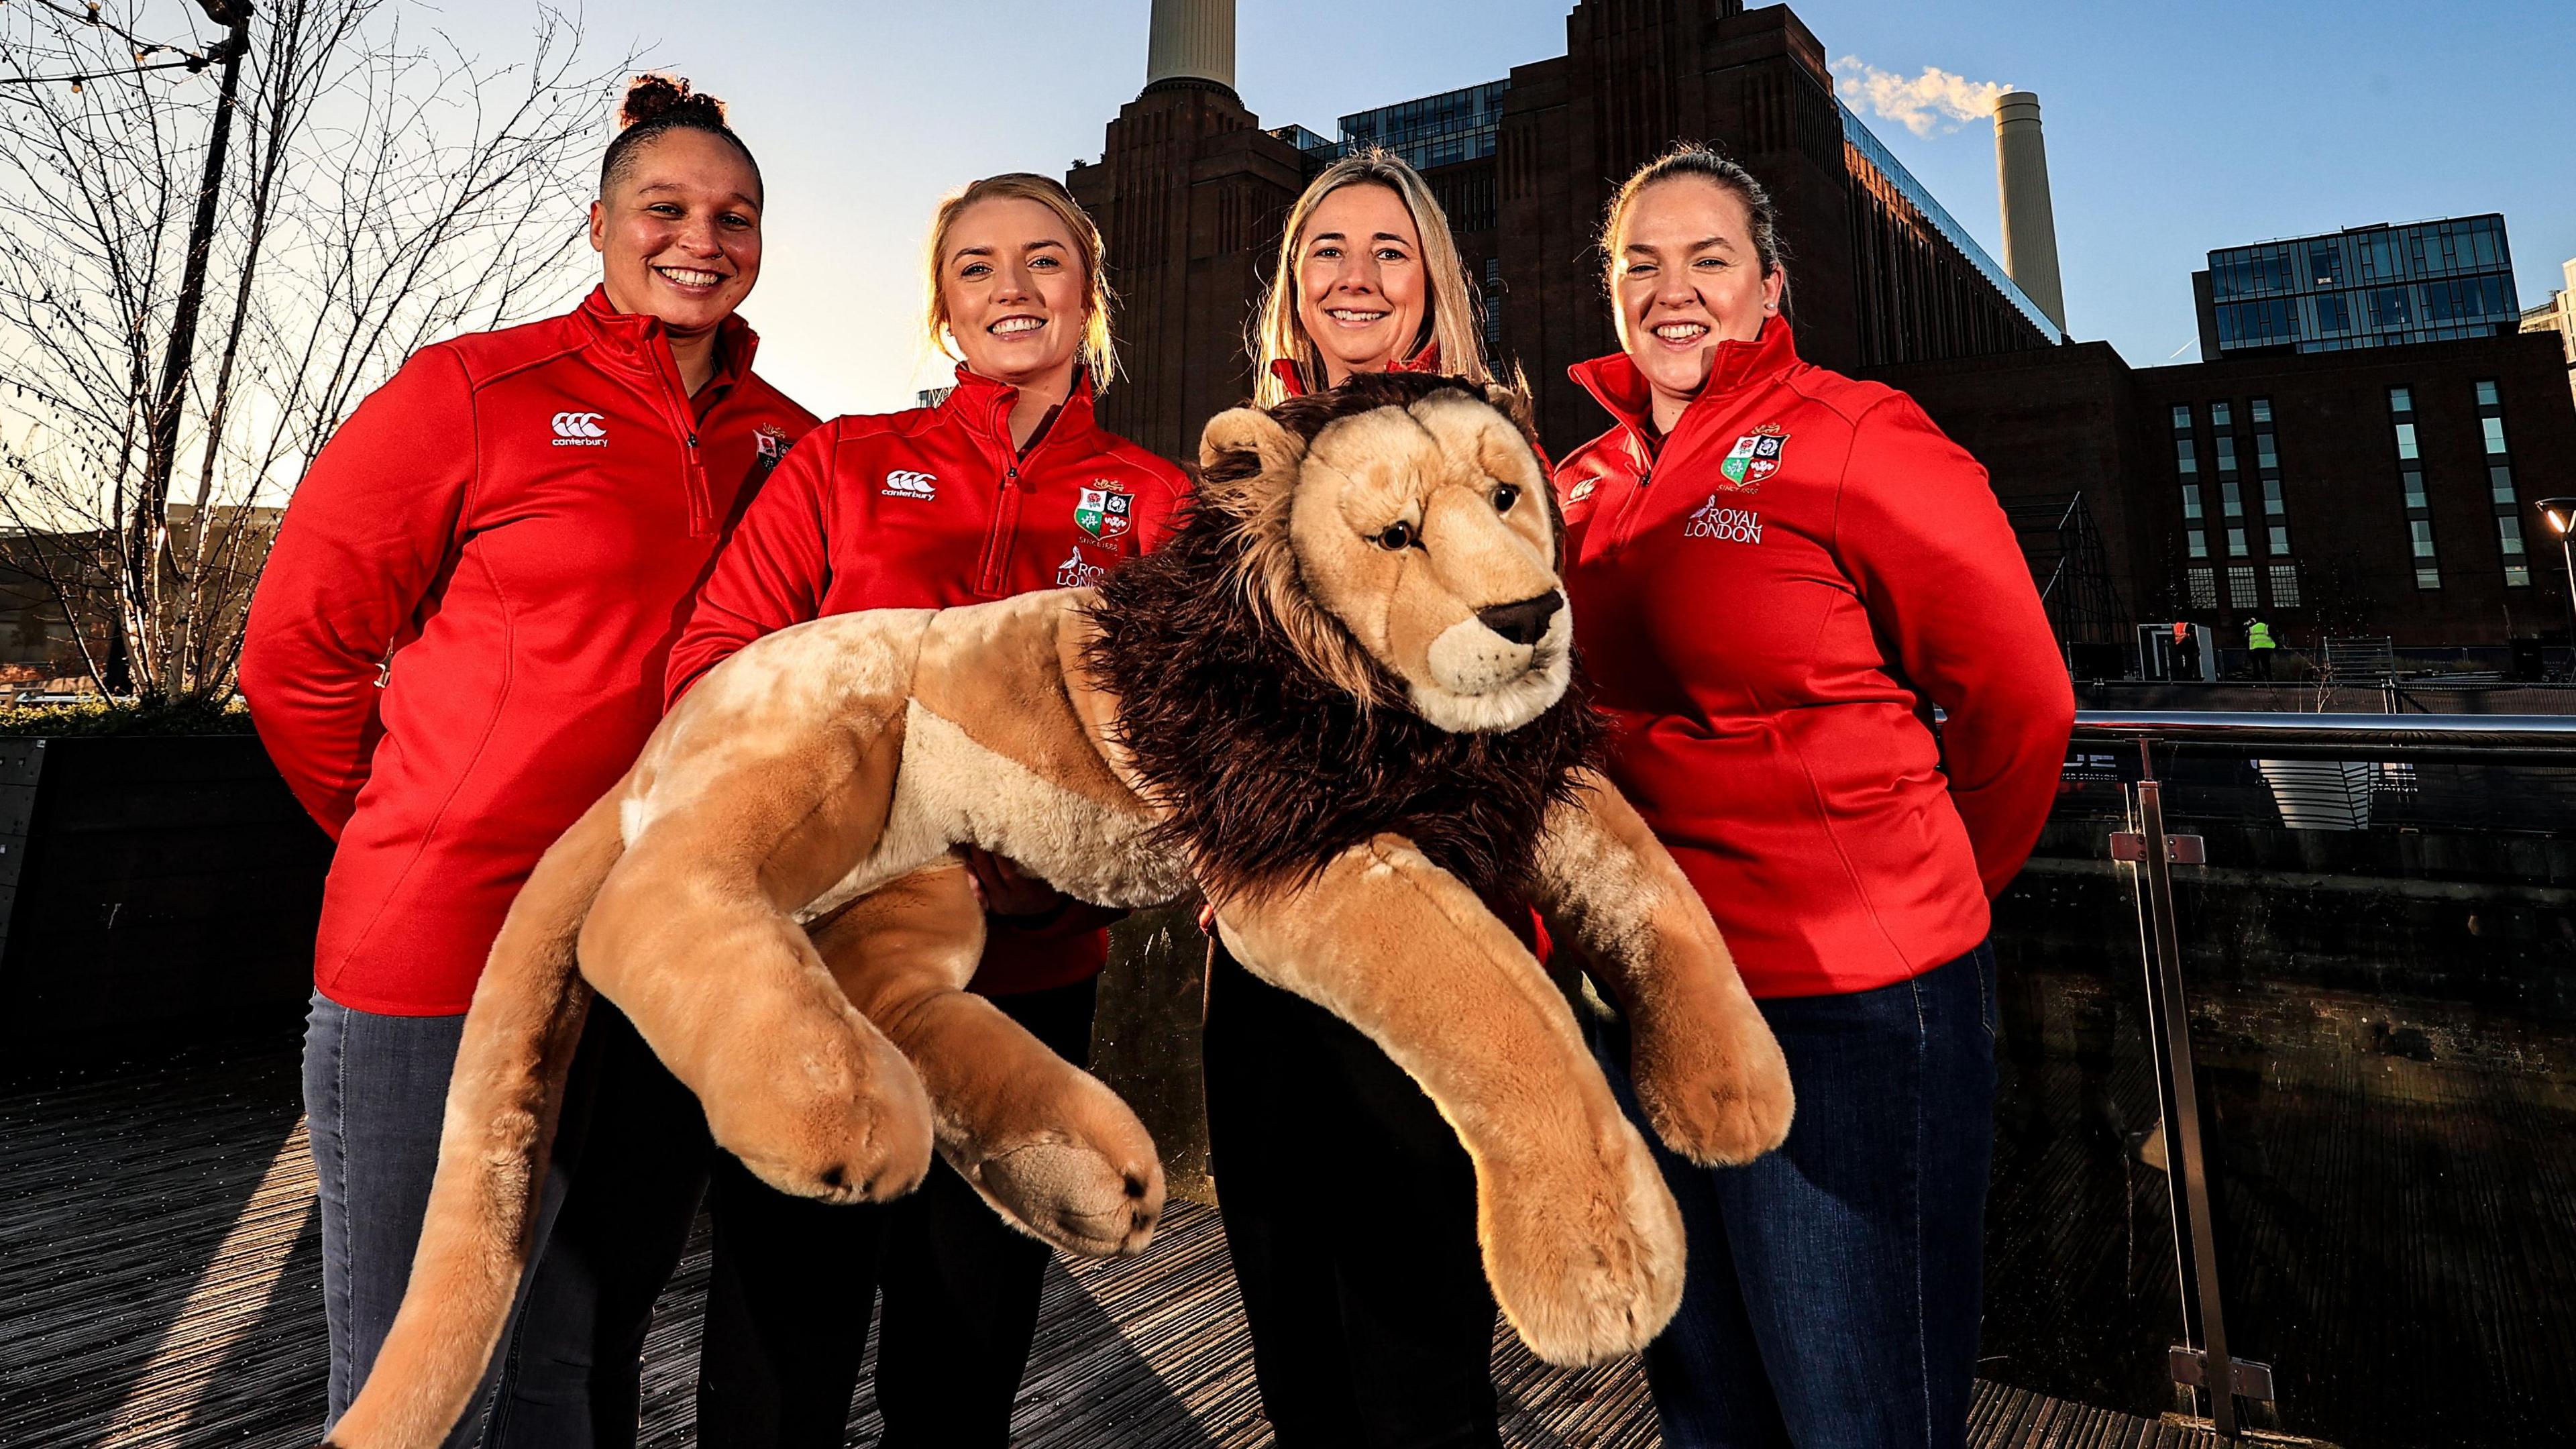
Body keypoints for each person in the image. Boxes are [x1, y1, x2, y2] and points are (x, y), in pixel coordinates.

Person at [494, 172, 1189, 1449]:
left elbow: (1179, 753)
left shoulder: (1155, 504)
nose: (1012, 290)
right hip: (821, 970)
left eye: (1044, 262)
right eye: (976, 267)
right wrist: (855, 831)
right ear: (941, 306)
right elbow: (715, 665)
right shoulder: (844, 461)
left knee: (964, 1350)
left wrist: (1057, 866)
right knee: (778, 1341)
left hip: (1024, 985)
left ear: (1089, 296)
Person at [238, 75, 816, 1447]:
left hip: (653, 969)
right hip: (441, 957)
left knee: (572, 1368)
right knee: (415, 1387)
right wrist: (412, 825)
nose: (701, 236)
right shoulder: (472, 391)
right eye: (664, 208)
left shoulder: (792, 440)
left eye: (734, 215)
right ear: (601, 226)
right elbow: (297, 654)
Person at [1552, 145, 2074, 1449]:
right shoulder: (1579, 485)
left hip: (1846, 1012)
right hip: (1658, 1001)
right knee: (1708, 1404)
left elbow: (2024, 703)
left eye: (1708, 259)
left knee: (1857, 1410)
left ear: (1771, 284)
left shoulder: (1862, 436)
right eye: (1642, 264)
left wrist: (1922, 902)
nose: (1674, 291)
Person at [1205, 148, 1514, 1449]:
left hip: (1421, 963)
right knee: (1299, 1367)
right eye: (1328, 250)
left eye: (1389, 251)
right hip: (1261, 965)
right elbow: (1194, 702)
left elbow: (1510, 703)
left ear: (1432, 287)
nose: (1356, 276)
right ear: (1290, 290)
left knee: (1418, 1367)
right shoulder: (1243, 461)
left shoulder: (1486, 456)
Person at [2247, 616, 2277, 680]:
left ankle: (2258, 680)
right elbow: (2275, 636)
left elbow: (2247, 640)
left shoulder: (2252, 628)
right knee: (2266, 665)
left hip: (2255, 649)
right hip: (2266, 649)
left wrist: (2249, 650)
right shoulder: (2266, 627)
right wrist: (2277, 646)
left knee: (2256, 666)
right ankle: (2269, 680)